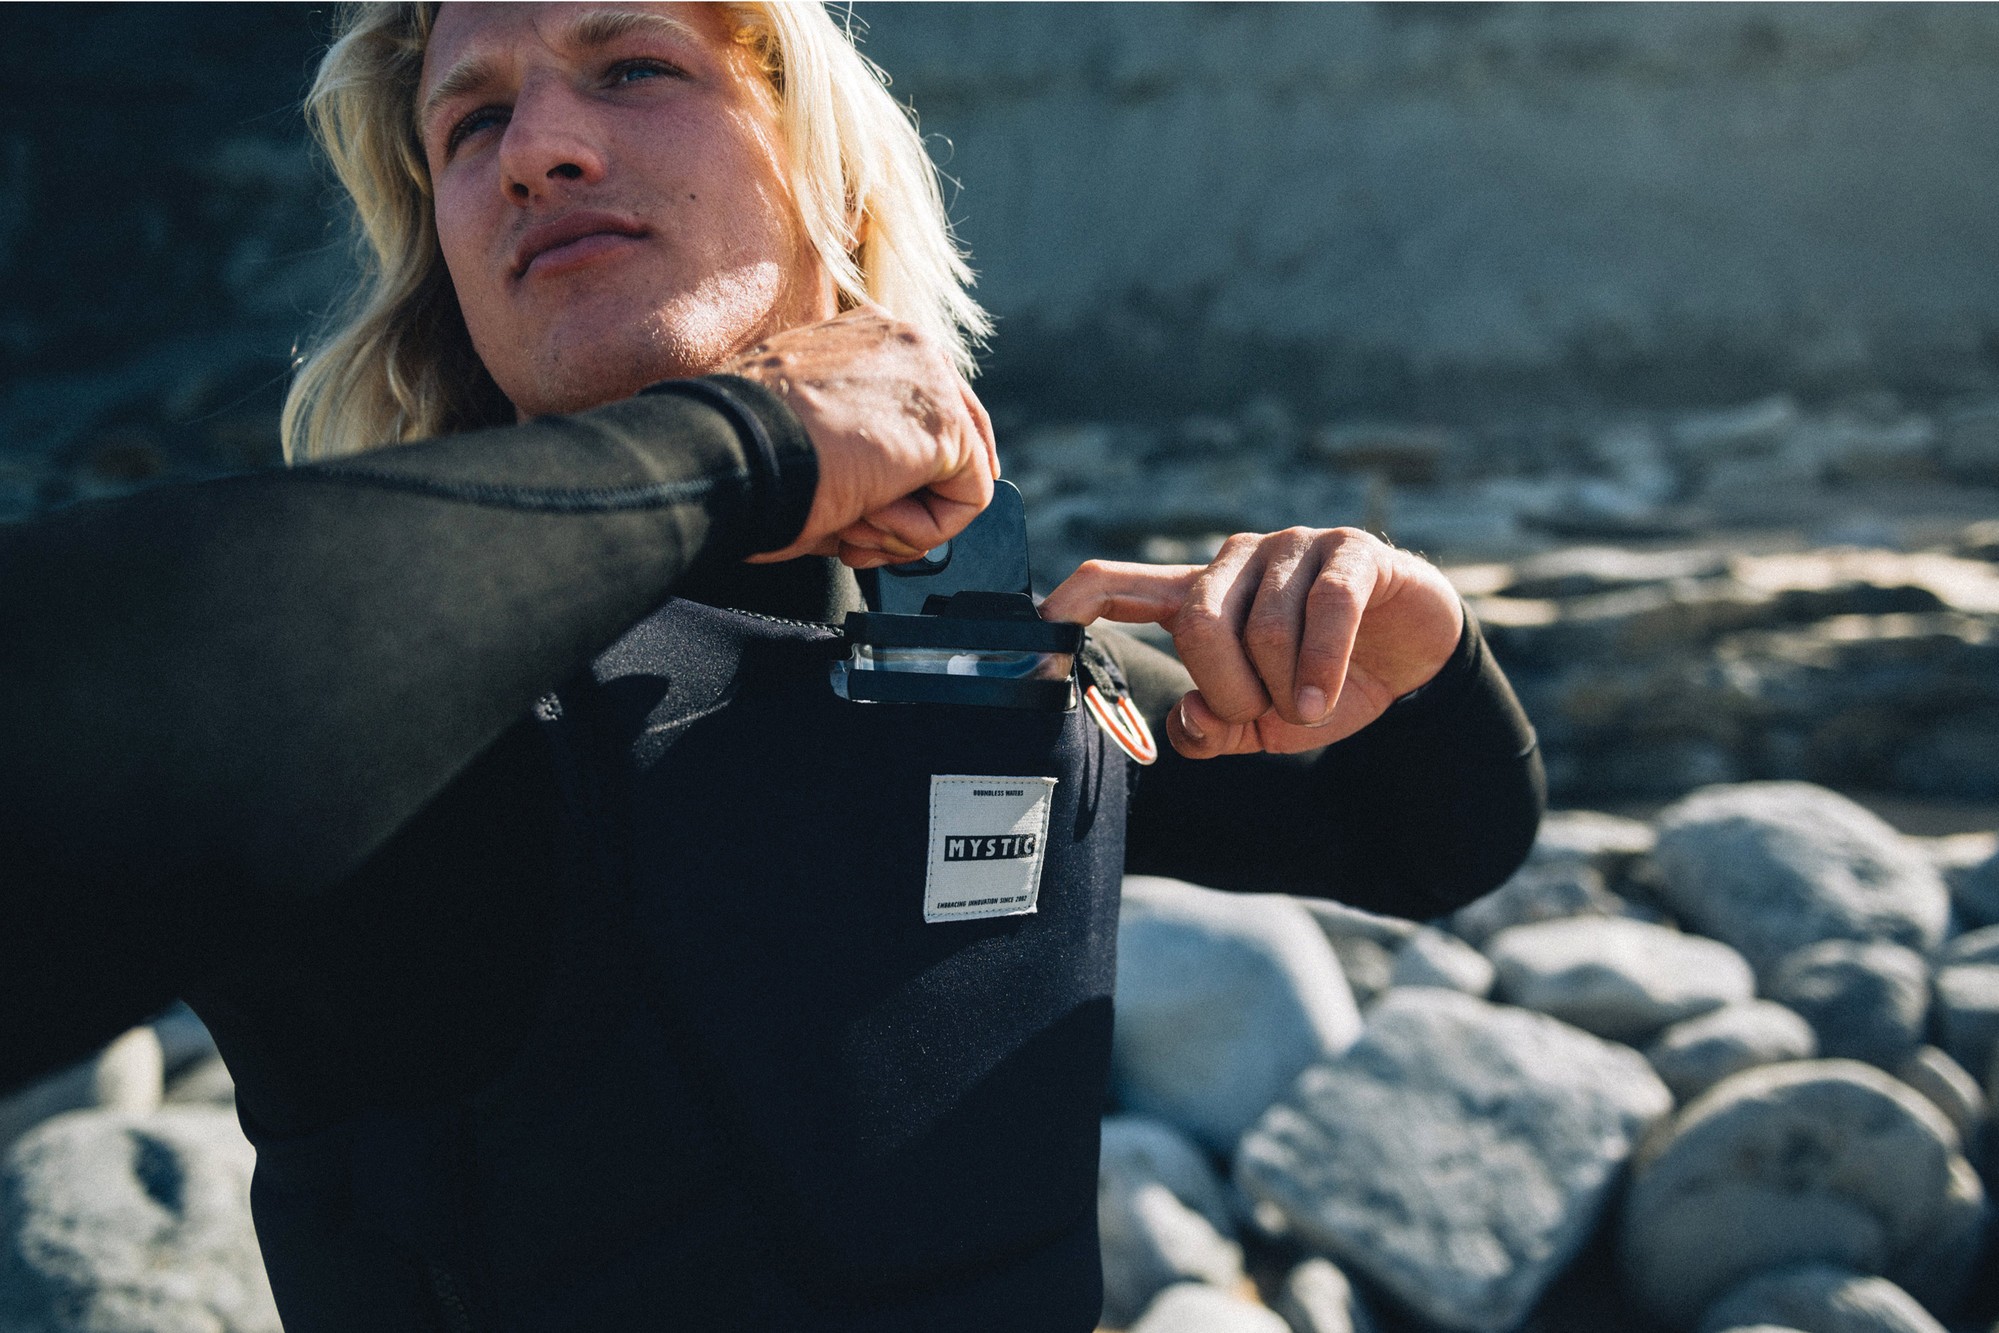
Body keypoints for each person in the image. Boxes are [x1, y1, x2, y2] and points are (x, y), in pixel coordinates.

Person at [0, 4, 1543, 1330]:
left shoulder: (982, 671)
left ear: (824, 171)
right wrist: (753, 439)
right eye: (471, 122)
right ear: (448, 263)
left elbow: (1434, 840)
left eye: (632, 66)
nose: (537, 146)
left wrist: (1417, 652)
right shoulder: (418, 733)